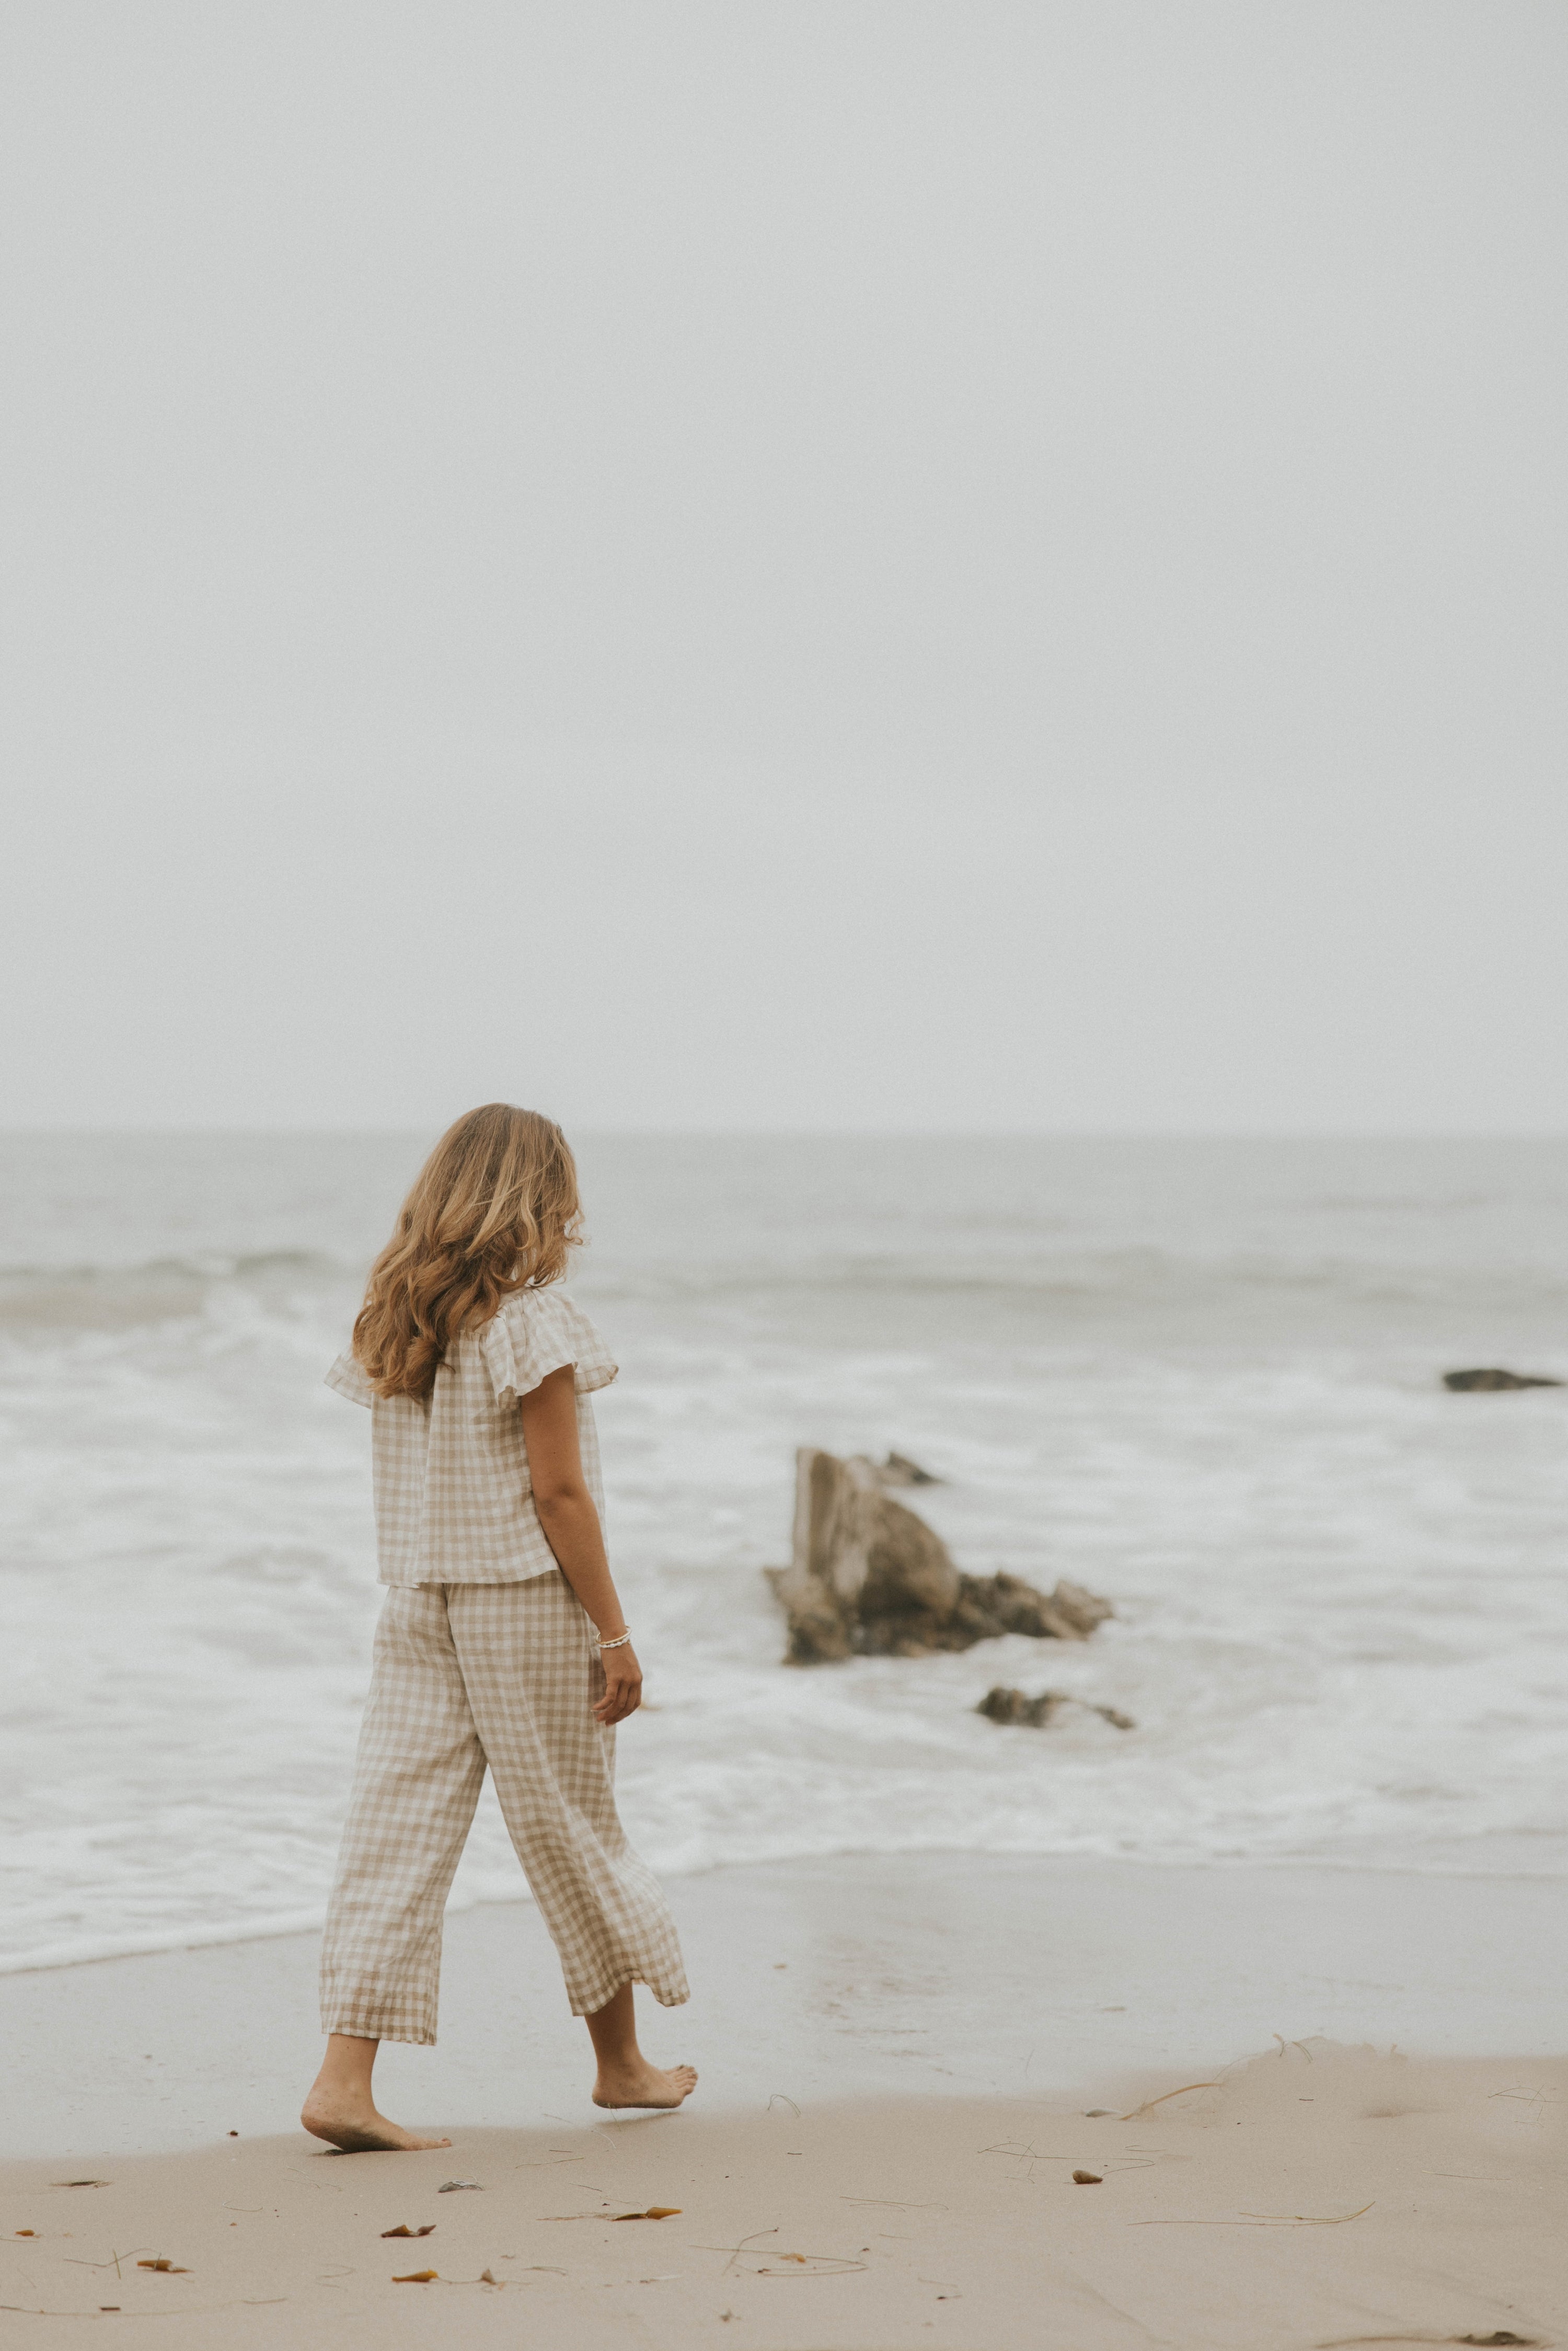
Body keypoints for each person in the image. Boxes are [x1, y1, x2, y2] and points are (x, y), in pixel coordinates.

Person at [300, 1103, 693, 2152]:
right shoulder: (532, 1315)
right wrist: (615, 1631)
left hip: (419, 1599)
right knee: (571, 1821)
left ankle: (344, 2079)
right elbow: (559, 1492)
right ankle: (620, 2063)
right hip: (520, 1599)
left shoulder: (397, 1311)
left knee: (396, 1832)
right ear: (542, 1193)